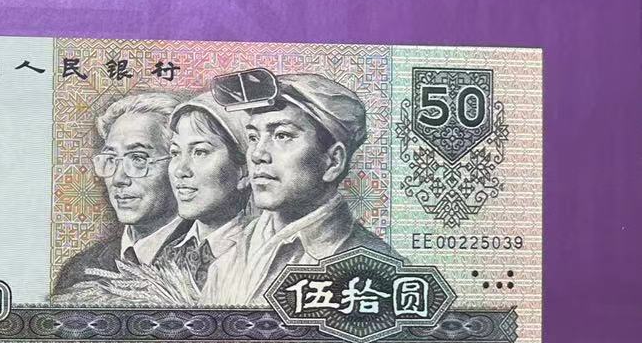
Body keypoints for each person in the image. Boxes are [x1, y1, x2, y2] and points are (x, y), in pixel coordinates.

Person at [202, 70, 401, 305]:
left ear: (333, 161)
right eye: (253, 137)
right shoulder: (229, 257)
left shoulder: (378, 269)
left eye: (282, 135)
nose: (257, 154)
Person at [51, 91, 190, 299]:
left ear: (177, 164)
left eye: (138, 158)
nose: (118, 178)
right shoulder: (80, 270)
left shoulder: (209, 262)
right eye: (110, 159)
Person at [156, 91, 252, 293]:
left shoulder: (257, 254)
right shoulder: (168, 254)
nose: (180, 170)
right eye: (175, 152)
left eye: (200, 152)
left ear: (243, 171)